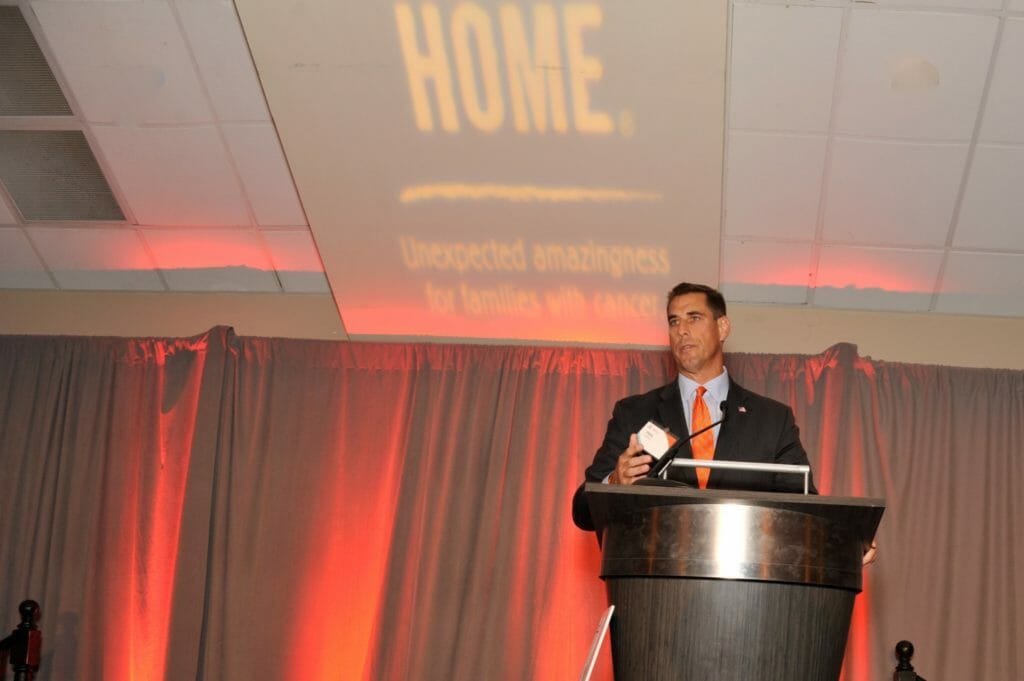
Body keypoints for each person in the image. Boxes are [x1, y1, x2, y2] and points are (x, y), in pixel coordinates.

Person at [571, 282, 878, 564]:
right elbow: (582, 509)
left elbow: (806, 508)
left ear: (723, 327)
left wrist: (846, 543)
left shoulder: (772, 419)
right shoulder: (635, 413)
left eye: (694, 318)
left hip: (745, 592)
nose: (681, 331)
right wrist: (614, 483)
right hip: (651, 586)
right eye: (674, 321)